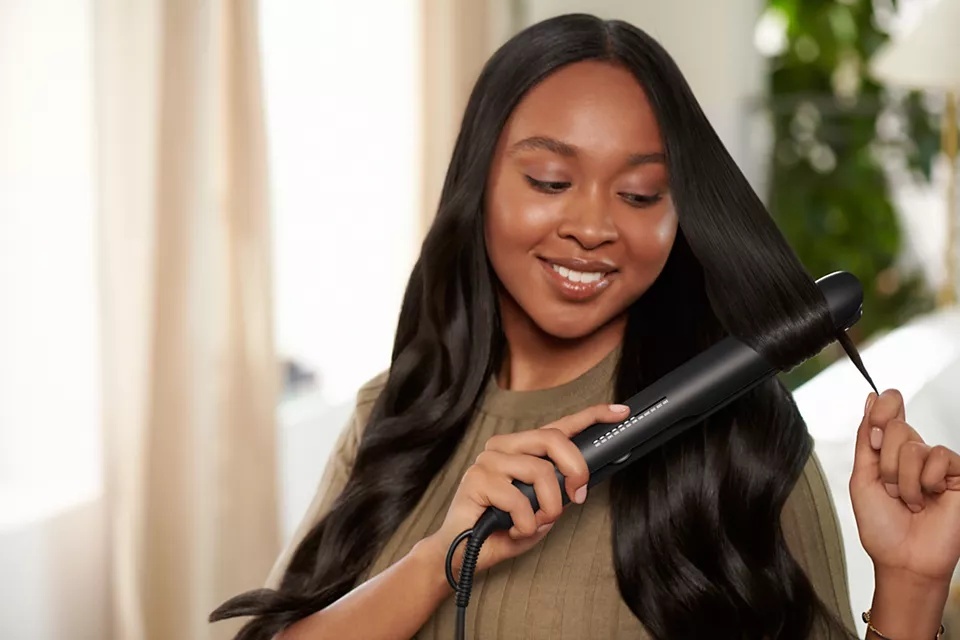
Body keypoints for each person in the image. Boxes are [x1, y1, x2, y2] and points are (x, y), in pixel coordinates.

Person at [211, 14, 960, 640]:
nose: (594, 226)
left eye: (640, 194)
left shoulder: (741, 435)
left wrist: (911, 583)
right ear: (479, 179)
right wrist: (440, 560)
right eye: (550, 181)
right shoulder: (394, 411)